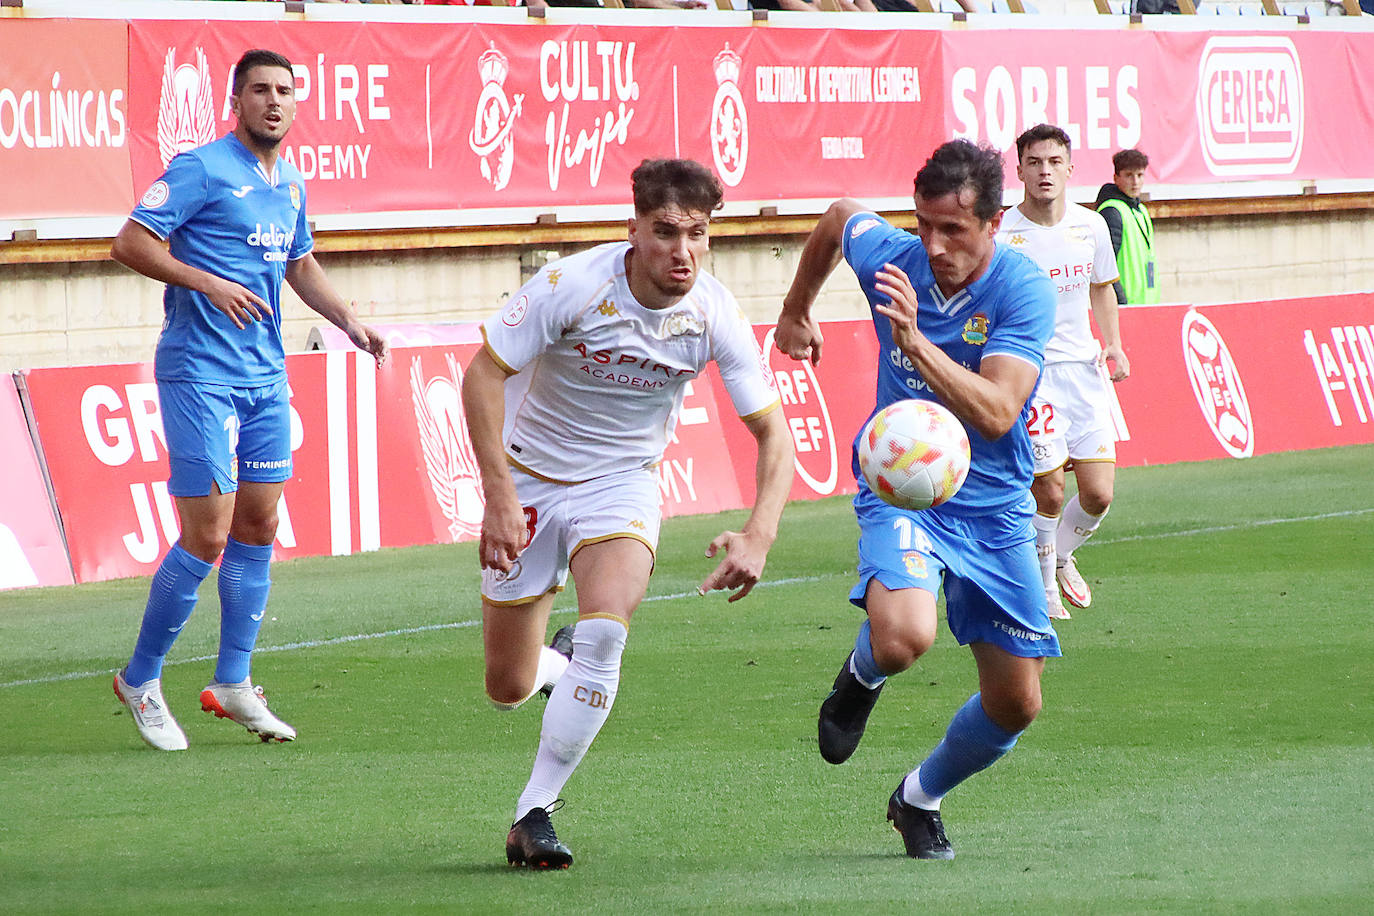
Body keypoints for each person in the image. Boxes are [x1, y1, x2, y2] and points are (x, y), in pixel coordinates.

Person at [462, 158, 794, 870]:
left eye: (698, 235)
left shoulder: (713, 313)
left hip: (621, 485)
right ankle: (555, 665)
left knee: (607, 632)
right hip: (529, 483)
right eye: (667, 232)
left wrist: (759, 534)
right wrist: (498, 496)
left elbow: (775, 434)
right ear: (634, 230)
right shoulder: (572, 286)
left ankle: (534, 812)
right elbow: (482, 374)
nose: (683, 252)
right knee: (507, 688)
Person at [775, 139, 1058, 860]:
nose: (933, 244)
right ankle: (862, 675)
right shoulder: (894, 257)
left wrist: (914, 343)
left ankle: (918, 797)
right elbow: (841, 217)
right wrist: (795, 310)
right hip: (900, 487)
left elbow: (997, 412)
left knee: (1017, 704)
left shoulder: (1022, 290)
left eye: (953, 229)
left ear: (994, 224)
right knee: (904, 638)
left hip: (993, 507)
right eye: (924, 224)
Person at [109, 49, 389, 751]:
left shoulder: (289, 181)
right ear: (236, 101)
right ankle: (140, 678)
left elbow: (297, 262)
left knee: (259, 527)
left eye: (285, 91)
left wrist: (347, 320)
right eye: (260, 89)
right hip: (199, 371)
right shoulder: (202, 168)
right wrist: (203, 281)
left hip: (266, 376)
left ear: (297, 104)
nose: (273, 100)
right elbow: (129, 243)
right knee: (206, 535)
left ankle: (233, 682)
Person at [997, 124, 1129, 618]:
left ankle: (1062, 557)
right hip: (1031, 375)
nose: (1045, 171)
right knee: (1049, 488)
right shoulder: (1004, 233)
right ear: (1021, 171)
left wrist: (1113, 343)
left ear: (1070, 170)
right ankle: (1043, 588)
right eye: (1035, 163)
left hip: (1083, 372)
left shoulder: (1090, 226)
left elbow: (1102, 287)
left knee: (1098, 493)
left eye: (1054, 162)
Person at [1095, 148, 1159, 305]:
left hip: (1146, 304)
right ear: (1116, 178)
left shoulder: (1140, 210)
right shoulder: (1112, 211)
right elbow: (1104, 266)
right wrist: (1121, 302)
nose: (1135, 182)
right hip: (1125, 307)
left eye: (1140, 175)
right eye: (1129, 175)